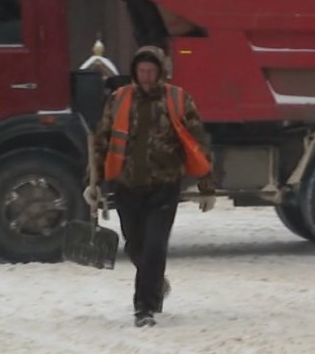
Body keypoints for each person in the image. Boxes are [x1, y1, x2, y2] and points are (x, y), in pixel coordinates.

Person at [84, 46, 217, 327]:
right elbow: (101, 142)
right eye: (141, 71)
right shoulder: (119, 100)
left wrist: (207, 183)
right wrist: (92, 183)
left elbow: (198, 143)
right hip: (127, 185)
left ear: (160, 72)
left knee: (155, 246)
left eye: (151, 71)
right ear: (135, 72)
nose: (146, 77)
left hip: (164, 186)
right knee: (136, 246)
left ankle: (144, 307)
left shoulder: (179, 100)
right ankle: (155, 282)